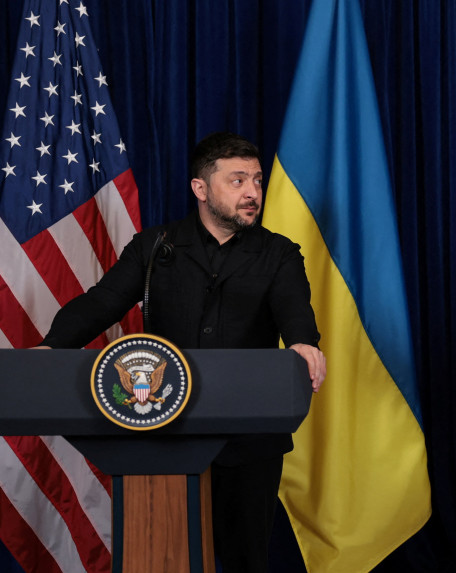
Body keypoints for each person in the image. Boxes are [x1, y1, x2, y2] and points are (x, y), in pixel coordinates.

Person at [37, 132, 326, 572]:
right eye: (237, 181)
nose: (252, 192)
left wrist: (304, 342)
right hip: (165, 434)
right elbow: (102, 303)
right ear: (201, 188)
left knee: (246, 561)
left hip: (250, 443)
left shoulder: (279, 254)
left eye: (257, 180)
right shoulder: (155, 247)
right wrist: (52, 345)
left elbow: (294, 310)